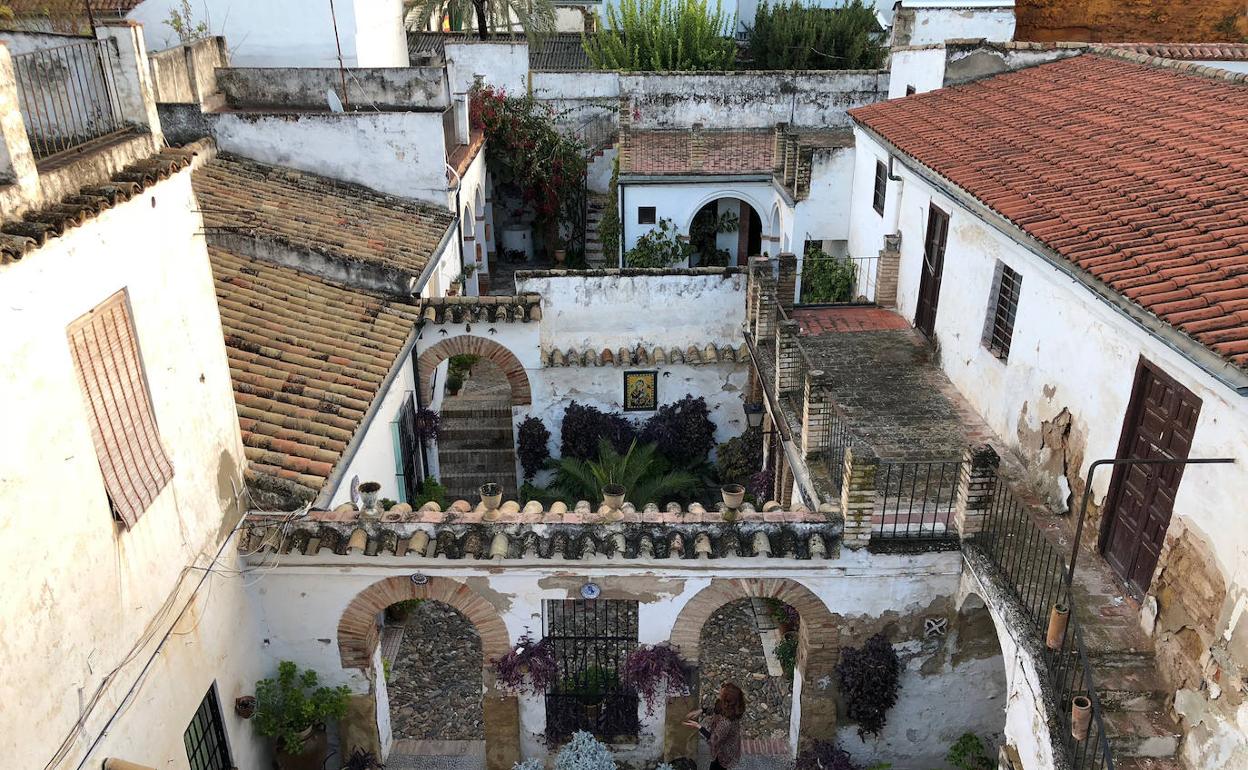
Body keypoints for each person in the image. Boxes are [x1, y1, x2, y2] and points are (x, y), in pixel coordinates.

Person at [682, 682, 745, 770]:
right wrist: (701, 711)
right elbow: (717, 710)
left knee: (717, 767)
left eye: (721, 693)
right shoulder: (729, 707)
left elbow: (714, 740)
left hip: (724, 752)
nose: (718, 693)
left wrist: (698, 727)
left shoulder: (726, 722)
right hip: (722, 744)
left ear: (727, 701)